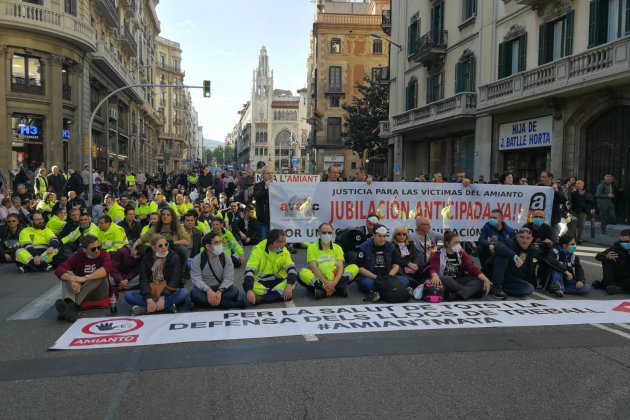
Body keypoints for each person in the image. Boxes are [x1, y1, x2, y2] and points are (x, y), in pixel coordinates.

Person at [53, 235, 112, 322]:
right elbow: (59, 269)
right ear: (84, 250)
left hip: (99, 292)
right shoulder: (78, 256)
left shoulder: (104, 254)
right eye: (93, 249)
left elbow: (107, 268)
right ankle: (69, 308)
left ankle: (70, 306)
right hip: (81, 290)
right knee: (67, 274)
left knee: (100, 274)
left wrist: (85, 278)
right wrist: (72, 280)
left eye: (99, 247)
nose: (97, 250)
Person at [124, 235, 187, 315]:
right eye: (160, 246)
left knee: (183, 292)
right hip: (151, 291)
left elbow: (174, 280)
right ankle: (166, 306)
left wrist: (162, 298)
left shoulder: (174, 257)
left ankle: (146, 309)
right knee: (128, 295)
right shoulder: (146, 258)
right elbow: (143, 280)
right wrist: (149, 299)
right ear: (154, 248)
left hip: (168, 291)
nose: (164, 247)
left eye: (166, 244)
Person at [298, 223, 359, 299]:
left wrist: (334, 282)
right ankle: (337, 289)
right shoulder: (311, 247)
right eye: (324, 232)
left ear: (332, 233)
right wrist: (326, 283)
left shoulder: (338, 248)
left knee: (354, 267)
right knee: (302, 272)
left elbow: (340, 267)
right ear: (318, 233)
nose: (327, 235)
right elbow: (313, 267)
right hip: (320, 279)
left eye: (329, 233)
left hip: (336, 278)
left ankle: (323, 291)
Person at [428, 231, 492, 301]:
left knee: (479, 280)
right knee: (446, 279)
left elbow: (471, 267)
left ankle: (456, 295)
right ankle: (468, 291)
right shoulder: (438, 254)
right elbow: (433, 268)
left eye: (458, 242)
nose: (458, 244)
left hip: (458, 280)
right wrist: (435, 276)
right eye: (455, 242)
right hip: (445, 280)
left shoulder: (461, 254)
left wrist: (486, 280)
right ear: (447, 243)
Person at [189, 232, 246, 309]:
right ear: (208, 246)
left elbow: (228, 278)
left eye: (220, 242)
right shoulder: (197, 259)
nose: (219, 245)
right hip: (205, 289)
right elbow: (196, 279)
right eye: (216, 243)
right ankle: (227, 304)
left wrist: (219, 292)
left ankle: (207, 304)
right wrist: (208, 291)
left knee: (234, 291)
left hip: (222, 288)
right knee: (194, 293)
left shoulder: (226, 258)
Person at [243, 229, 298, 305]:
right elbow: (249, 271)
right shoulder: (258, 250)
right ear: (275, 243)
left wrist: (288, 285)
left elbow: (292, 269)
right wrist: (249, 290)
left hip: (277, 280)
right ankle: (278, 294)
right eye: (283, 241)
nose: (286, 243)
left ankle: (263, 299)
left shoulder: (282, 251)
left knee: (293, 281)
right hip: (260, 282)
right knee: (249, 286)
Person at [355, 224, 409, 301]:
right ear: (373, 235)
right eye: (379, 236)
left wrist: (389, 277)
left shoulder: (391, 247)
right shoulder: (364, 247)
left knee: (404, 280)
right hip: (371, 277)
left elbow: (396, 265)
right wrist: (376, 278)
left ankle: (378, 293)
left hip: (388, 276)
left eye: (384, 236)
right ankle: (392, 291)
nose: (382, 239)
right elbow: (359, 268)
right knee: (367, 284)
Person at [484, 228, 541, 298]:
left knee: (529, 288)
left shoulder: (534, 251)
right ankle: (497, 288)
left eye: (528, 238)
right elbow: (498, 246)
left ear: (531, 239)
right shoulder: (509, 242)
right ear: (517, 237)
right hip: (497, 276)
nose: (525, 240)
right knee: (503, 254)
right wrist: (515, 257)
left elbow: (537, 264)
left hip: (513, 281)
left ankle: (493, 288)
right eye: (522, 237)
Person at [594, 229, 630, 294]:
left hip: (627, 278)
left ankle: (619, 289)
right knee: (607, 258)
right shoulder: (616, 247)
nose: (623, 243)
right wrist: (606, 257)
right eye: (621, 241)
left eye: (626, 241)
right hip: (616, 275)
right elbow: (598, 256)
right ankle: (609, 285)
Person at [253, 166, 273, 241]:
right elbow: (257, 196)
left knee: (274, 241)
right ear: (263, 175)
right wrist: (265, 188)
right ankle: (263, 253)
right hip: (263, 219)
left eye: (272, 173)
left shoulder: (276, 185)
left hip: (274, 219)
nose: (270, 175)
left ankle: (277, 253)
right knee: (263, 240)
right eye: (268, 173)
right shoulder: (258, 185)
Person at [571, 179, 594, 244]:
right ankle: (573, 239)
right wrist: (572, 193)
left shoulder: (586, 191)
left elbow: (591, 199)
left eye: (579, 184)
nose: (577, 185)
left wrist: (584, 194)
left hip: (583, 211)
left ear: (582, 185)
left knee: (581, 226)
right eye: (576, 183)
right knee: (573, 225)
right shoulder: (573, 191)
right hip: (574, 211)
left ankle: (579, 239)